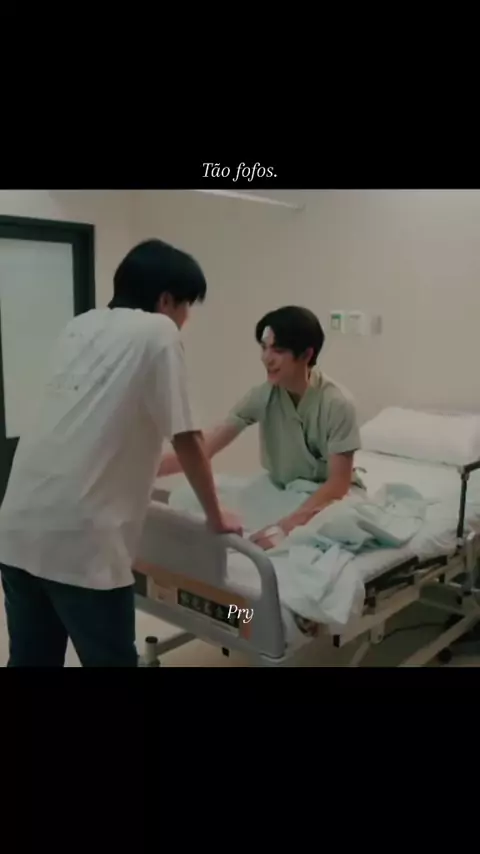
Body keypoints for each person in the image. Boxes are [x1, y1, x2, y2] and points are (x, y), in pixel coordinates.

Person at [0, 239, 242, 667]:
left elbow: (103, 434)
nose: (186, 320)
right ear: (165, 300)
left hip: (18, 526)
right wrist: (216, 516)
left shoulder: (79, 326)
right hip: (82, 541)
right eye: (187, 306)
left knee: (31, 661)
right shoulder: (159, 332)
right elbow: (188, 439)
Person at [159, 305, 363, 550]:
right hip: (278, 490)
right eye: (264, 348)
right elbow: (203, 448)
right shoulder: (263, 396)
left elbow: (338, 485)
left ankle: (276, 530)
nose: (266, 358)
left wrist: (285, 527)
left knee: (335, 522)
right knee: (185, 496)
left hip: (321, 497)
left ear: (307, 354)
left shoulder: (337, 403)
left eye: (278, 350)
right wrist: (146, 469)